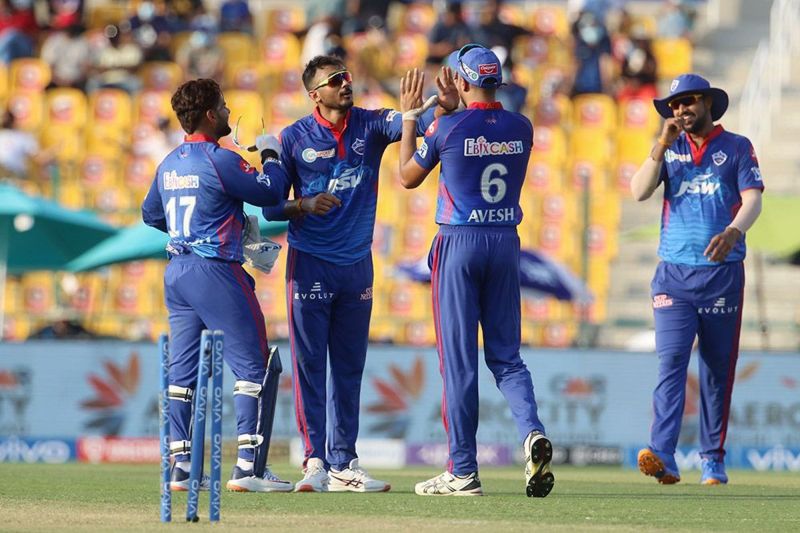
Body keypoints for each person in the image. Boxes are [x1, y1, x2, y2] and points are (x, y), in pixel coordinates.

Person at [259, 54, 458, 493]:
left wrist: (441, 106)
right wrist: (303, 205)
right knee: (311, 366)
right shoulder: (294, 137)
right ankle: (314, 461)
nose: (346, 84)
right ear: (315, 94)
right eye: (335, 80)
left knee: (349, 368)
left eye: (347, 76)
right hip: (309, 263)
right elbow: (271, 206)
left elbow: (412, 120)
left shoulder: (370, 124)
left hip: (356, 267)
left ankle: (344, 463)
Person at [397, 44, 554, 498]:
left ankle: (463, 470)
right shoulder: (522, 127)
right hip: (505, 242)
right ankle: (532, 432)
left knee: (459, 362)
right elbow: (480, 131)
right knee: (507, 356)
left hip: (459, 242)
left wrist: (413, 118)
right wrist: (453, 111)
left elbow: (408, 176)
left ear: (461, 82)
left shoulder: (447, 125)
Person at [141, 78, 293, 493]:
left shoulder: (169, 163)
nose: (228, 113)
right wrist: (270, 152)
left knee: (182, 372)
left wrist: (206, 223)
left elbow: (151, 215)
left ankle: (181, 466)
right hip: (215, 272)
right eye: (224, 107)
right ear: (210, 114)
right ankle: (249, 469)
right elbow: (274, 192)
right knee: (255, 366)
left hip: (177, 272)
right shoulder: (220, 159)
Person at [630, 73, 764, 485]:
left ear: (706, 102)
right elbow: (638, 192)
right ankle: (664, 456)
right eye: (674, 105)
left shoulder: (737, 147)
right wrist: (660, 144)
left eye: (688, 102)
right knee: (671, 362)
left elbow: (754, 199)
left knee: (716, 369)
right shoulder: (668, 149)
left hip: (722, 276)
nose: (681, 110)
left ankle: (712, 458)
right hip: (673, 275)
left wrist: (734, 231)